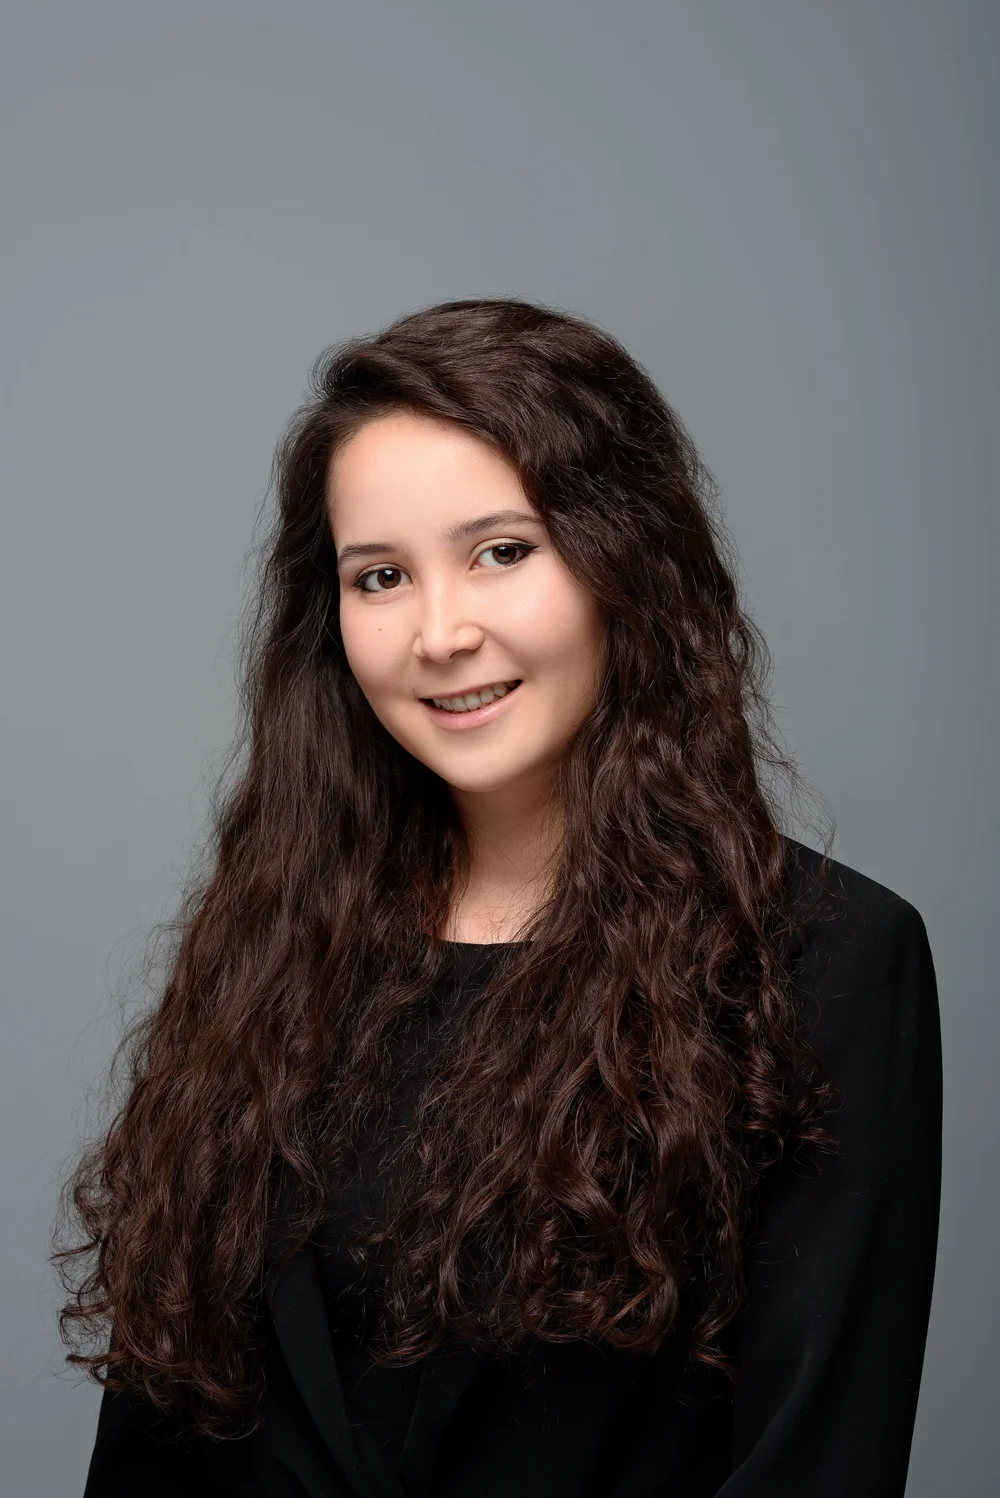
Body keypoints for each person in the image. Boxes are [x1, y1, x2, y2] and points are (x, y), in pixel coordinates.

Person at [59, 298, 942, 1497]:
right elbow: (163, 1426)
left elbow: (816, 1460)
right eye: (380, 575)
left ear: (622, 554)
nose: (439, 631)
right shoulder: (267, 948)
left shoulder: (826, 960)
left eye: (502, 551)